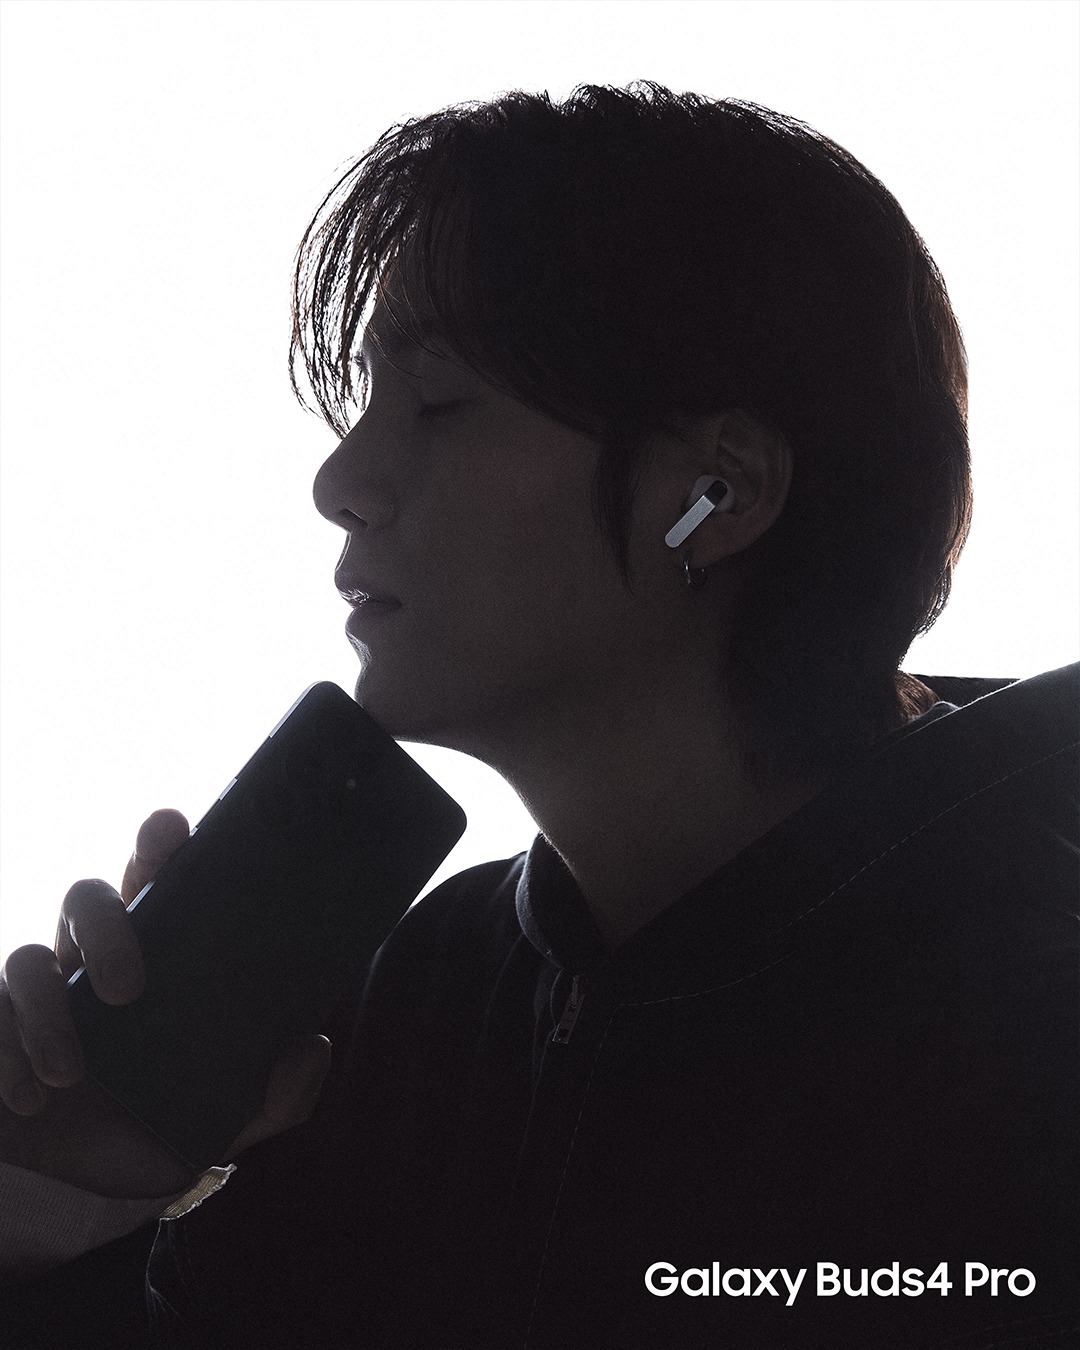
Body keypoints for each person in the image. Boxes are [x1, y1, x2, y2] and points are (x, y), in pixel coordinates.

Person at [1, 83, 1076, 1348]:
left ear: (719, 493)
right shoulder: (404, 1018)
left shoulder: (1025, 1040)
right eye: (362, 406)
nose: (342, 481)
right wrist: (67, 1217)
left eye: (439, 403)